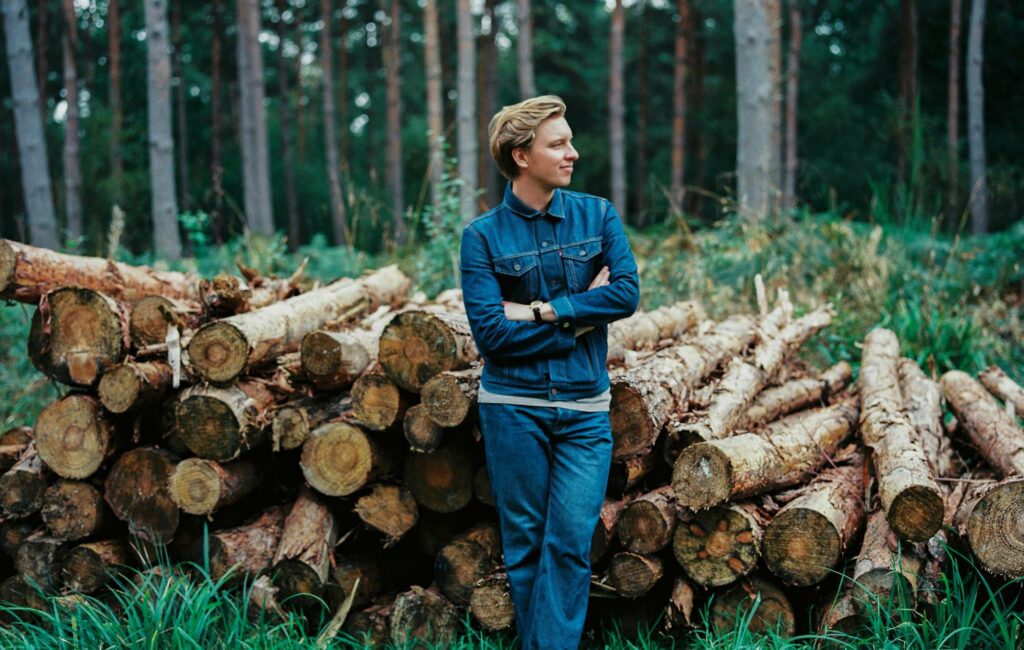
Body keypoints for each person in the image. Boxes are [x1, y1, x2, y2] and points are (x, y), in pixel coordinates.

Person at [459, 95, 640, 649]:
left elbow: (626, 294)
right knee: (526, 545)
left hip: (586, 411)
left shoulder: (597, 215)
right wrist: (583, 312)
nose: (572, 153)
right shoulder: (482, 237)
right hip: (513, 409)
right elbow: (492, 336)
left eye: (569, 141)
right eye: (557, 144)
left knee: (567, 541)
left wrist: (541, 310)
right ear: (520, 156)